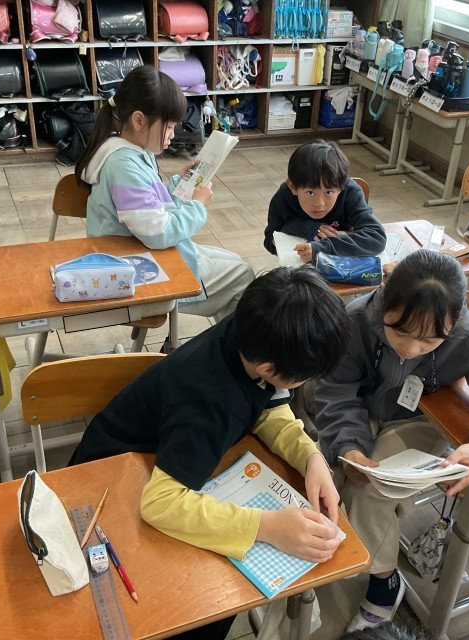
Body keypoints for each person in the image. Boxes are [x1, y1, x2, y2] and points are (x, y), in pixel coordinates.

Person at [70, 266, 350, 640]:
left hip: (159, 457)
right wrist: (267, 527)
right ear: (268, 368)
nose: (304, 385)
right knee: (208, 597)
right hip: (107, 486)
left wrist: (310, 457)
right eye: (304, 378)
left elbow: (267, 405)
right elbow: (160, 504)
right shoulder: (210, 405)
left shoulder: (251, 332)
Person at [315, 250, 469, 633]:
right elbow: (336, 390)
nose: (411, 349)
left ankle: (384, 582)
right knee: (328, 475)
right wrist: (348, 447)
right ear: (384, 295)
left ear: (456, 320)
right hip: (360, 410)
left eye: (429, 341)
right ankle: (342, 556)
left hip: (417, 421)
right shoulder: (356, 319)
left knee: (371, 490)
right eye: (399, 331)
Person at [75, 65, 254, 328]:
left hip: (138, 252)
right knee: (242, 277)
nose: (172, 134)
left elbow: (149, 207)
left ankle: (227, 343)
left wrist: (181, 185)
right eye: (168, 127)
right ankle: (228, 347)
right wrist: (197, 206)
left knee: (238, 264)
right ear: (139, 120)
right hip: (136, 270)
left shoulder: (131, 150)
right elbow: (158, 232)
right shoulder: (123, 165)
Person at [264, 140, 387, 263]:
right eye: (310, 193)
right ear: (293, 187)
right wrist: (304, 227)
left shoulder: (350, 192)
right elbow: (270, 240)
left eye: (329, 192)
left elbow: (376, 237)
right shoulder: (283, 198)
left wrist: (322, 249)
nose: (319, 204)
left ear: (341, 187)